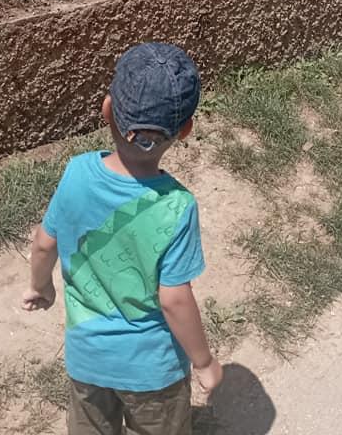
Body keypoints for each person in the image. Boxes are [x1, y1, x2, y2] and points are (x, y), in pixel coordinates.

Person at [22, 42, 222, 434]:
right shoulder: (178, 206)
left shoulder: (77, 173)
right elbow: (174, 298)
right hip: (153, 371)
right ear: (185, 130)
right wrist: (204, 362)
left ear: (107, 109)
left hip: (87, 360)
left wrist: (40, 287)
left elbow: (44, 243)